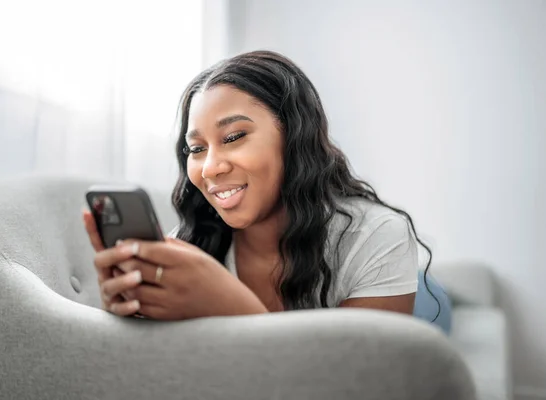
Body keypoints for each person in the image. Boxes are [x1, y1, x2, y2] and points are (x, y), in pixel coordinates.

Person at [82, 50, 432, 321]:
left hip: (400, 288)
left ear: (295, 137)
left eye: (233, 137)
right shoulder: (189, 250)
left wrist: (232, 306)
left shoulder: (376, 236)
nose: (210, 168)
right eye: (197, 149)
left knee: (440, 305)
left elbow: (364, 383)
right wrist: (129, 321)